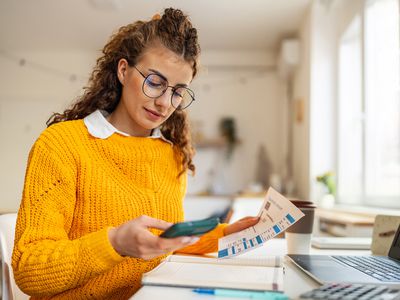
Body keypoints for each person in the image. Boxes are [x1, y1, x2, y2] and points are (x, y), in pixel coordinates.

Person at [12, 8, 259, 299]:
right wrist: (114, 243)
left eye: (178, 91)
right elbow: (30, 269)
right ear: (123, 70)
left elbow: (160, 243)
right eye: (155, 82)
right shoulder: (63, 144)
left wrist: (224, 234)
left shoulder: (172, 155)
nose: (165, 103)